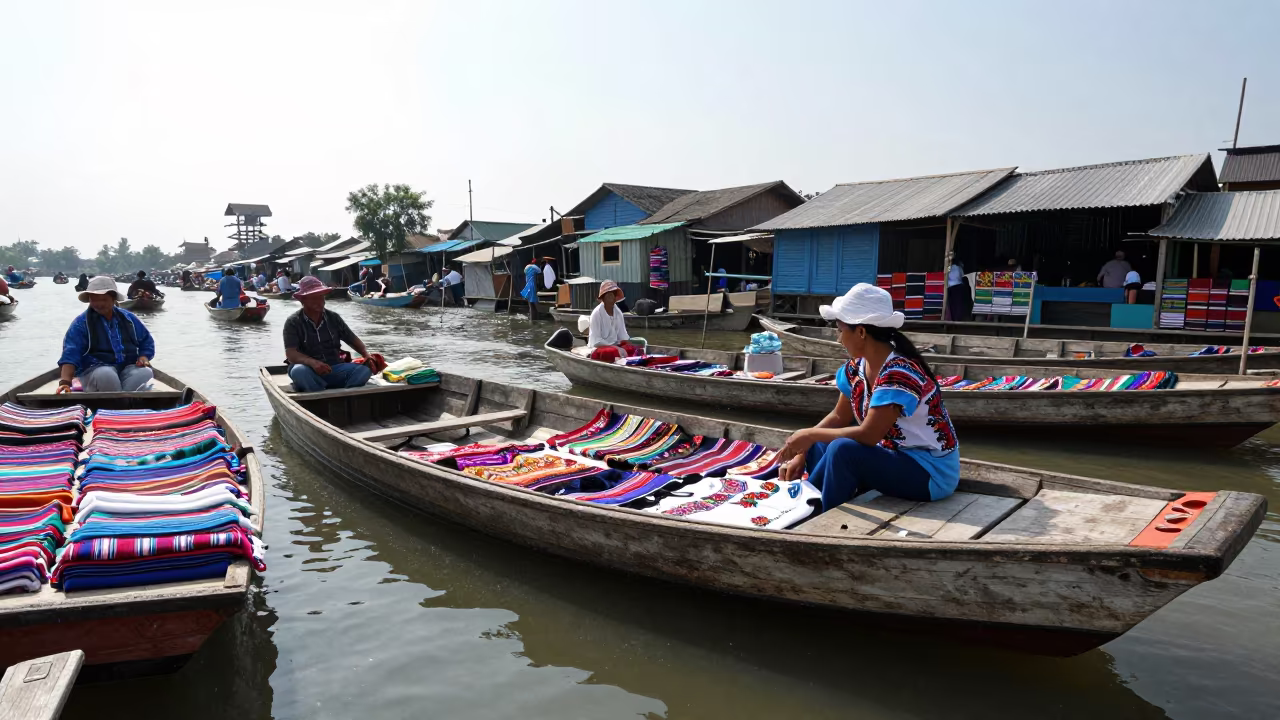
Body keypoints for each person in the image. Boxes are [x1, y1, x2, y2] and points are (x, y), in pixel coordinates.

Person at [776, 283, 959, 511]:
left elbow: (869, 435)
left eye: (841, 330)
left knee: (842, 449)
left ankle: (812, 512)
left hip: (930, 475)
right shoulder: (855, 369)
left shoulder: (899, 373)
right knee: (820, 443)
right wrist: (802, 451)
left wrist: (809, 434)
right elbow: (838, 416)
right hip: (893, 457)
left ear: (861, 332)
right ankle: (813, 499)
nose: (839, 339)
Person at [55, 276, 155, 394]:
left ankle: (121, 402)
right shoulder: (81, 323)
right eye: (94, 299)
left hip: (126, 368)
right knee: (106, 374)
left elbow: (146, 341)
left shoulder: (129, 318)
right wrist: (65, 382)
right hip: (95, 371)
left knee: (146, 372)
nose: (99, 304)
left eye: (104, 299)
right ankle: (121, 403)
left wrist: (143, 356)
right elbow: (71, 353)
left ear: (113, 299)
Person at [283, 276, 376, 392]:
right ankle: (317, 392)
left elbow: (352, 339)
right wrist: (313, 363)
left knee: (363, 370)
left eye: (321, 297)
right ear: (303, 300)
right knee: (299, 371)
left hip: (334, 368)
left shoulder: (333, 318)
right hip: (308, 369)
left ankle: (340, 395)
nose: (320, 301)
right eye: (314, 298)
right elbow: (291, 354)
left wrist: (366, 355)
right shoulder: (293, 322)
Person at [587, 280, 642, 362]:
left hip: (615, 345)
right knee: (611, 352)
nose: (611, 298)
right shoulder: (596, 314)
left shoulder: (618, 313)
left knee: (633, 349)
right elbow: (596, 341)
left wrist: (629, 343)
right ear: (603, 298)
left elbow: (622, 335)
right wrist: (614, 347)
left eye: (612, 295)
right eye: (608, 295)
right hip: (598, 347)